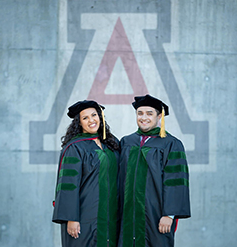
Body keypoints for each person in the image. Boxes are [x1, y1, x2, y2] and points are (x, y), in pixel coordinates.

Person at [118, 94, 191, 247]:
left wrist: (169, 214)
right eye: (140, 113)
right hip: (128, 213)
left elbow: (176, 181)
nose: (144, 118)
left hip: (155, 214)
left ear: (159, 117)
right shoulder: (126, 142)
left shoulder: (171, 144)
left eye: (149, 114)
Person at [52, 100, 120, 247]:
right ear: (79, 123)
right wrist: (71, 218)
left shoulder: (112, 143)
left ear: (100, 118)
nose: (91, 120)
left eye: (94, 115)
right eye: (85, 118)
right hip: (85, 216)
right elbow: (68, 186)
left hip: (110, 214)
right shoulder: (75, 147)